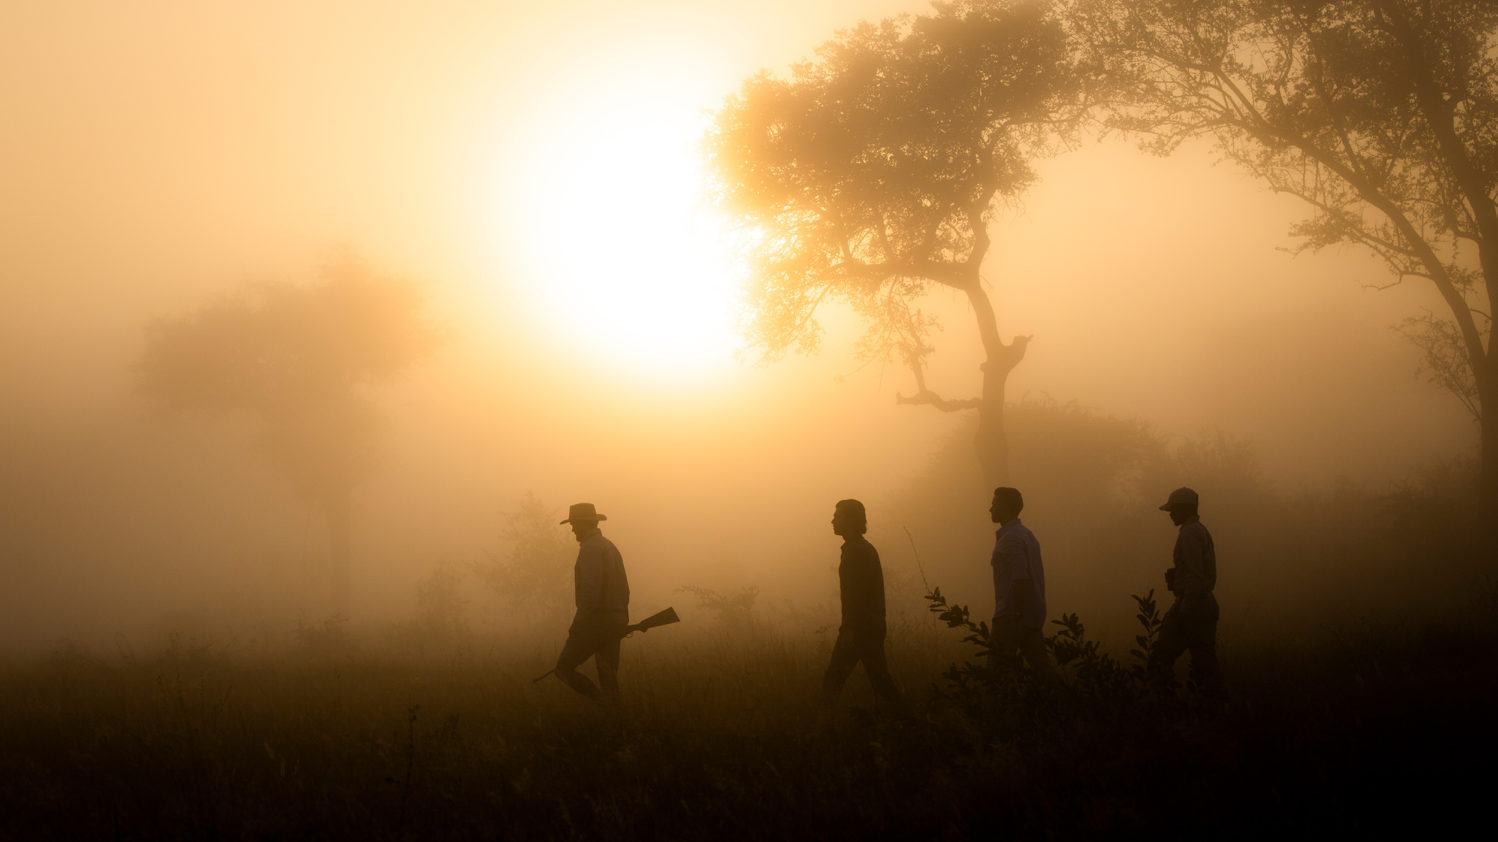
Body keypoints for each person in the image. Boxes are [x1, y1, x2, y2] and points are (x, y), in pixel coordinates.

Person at [821, 499, 902, 707]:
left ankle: (822, 724)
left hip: (860, 628)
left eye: (837, 516)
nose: (832, 521)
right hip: (869, 626)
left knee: (833, 679)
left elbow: (856, 597)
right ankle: (903, 720)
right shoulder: (859, 548)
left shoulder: (856, 551)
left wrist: (848, 630)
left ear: (850, 519)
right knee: (879, 679)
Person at [1149, 487, 1222, 695]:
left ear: (1184, 509)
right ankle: (1215, 708)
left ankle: (1161, 704)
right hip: (1204, 604)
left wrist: (1184, 610)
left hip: (1192, 605)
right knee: (1205, 664)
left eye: (1173, 510)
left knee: (1160, 658)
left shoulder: (1189, 534)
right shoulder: (1200, 530)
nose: (1170, 514)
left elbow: (1195, 576)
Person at [554, 502, 630, 703]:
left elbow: (590, 595)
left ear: (582, 524)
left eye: (574, 524)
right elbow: (625, 589)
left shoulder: (589, 549)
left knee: (563, 669)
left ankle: (600, 704)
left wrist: (577, 627)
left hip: (597, 621)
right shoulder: (610, 547)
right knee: (608, 673)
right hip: (616, 619)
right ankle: (614, 713)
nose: (572, 529)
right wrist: (622, 619)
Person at [988, 486, 1057, 683]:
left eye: (994, 503)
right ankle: (1069, 706)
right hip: (1031, 617)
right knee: (1043, 671)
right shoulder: (1028, 535)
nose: (990, 508)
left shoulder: (1010, 540)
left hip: (1011, 617)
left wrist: (1013, 616)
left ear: (1005, 506)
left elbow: (1020, 579)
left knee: (995, 675)